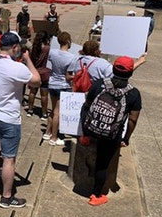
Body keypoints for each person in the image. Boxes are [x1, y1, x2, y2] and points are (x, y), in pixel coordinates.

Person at [0, 32, 41, 208]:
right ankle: (6, 197)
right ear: (15, 47)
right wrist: (28, 60)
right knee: (9, 159)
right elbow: (37, 81)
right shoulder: (17, 68)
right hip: (9, 119)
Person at [82, 56, 141, 206]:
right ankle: (96, 195)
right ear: (130, 73)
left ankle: (87, 138)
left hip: (91, 128)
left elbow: (87, 105)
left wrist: (86, 130)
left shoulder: (99, 84)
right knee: (103, 164)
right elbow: (133, 120)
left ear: (113, 69)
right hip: (111, 136)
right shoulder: (134, 94)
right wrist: (125, 139)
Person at [44, 32, 75, 145]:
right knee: (58, 112)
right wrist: (76, 76)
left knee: (53, 110)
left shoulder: (52, 53)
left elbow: (50, 65)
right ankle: (54, 137)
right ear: (68, 41)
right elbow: (68, 76)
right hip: (63, 85)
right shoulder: (71, 57)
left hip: (52, 83)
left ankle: (47, 132)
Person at [26, 31, 51, 121]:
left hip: (35, 72)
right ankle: (44, 113)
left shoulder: (33, 48)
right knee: (44, 95)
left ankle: (30, 109)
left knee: (32, 92)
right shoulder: (48, 49)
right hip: (45, 73)